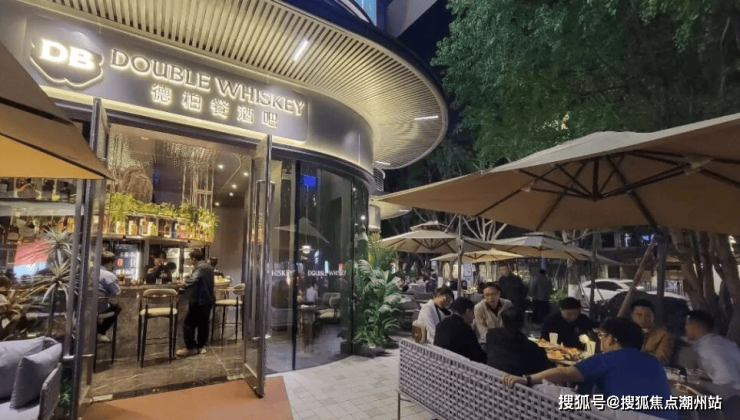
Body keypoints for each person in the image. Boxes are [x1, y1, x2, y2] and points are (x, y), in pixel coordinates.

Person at [503, 318, 677, 420]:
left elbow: (564, 372)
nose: (601, 340)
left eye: (602, 336)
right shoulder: (654, 361)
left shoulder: (607, 359)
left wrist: (527, 379)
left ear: (612, 339)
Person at [486, 307, 551, 376]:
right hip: (518, 380)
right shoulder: (531, 348)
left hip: (493, 377)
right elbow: (544, 371)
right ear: (523, 323)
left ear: (502, 321)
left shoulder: (491, 335)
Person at [685, 310, 740, 388]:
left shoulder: (708, 346)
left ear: (695, 325)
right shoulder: (720, 342)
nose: (686, 328)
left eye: (687, 325)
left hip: (731, 393)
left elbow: (726, 379)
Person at [176, 249, 215, 357]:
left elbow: (194, 279)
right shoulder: (209, 267)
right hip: (208, 299)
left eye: (190, 259)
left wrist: (184, 283)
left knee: (189, 323)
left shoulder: (199, 267)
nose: (190, 261)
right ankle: (201, 346)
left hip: (198, 299)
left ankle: (191, 348)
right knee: (203, 324)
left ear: (194, 259)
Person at [434, 297, 487, 364]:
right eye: (473, 312)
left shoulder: (441, 324)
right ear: (467, 311)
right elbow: (477, 355)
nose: (474, 317)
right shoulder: (465, 329)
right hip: (458, 366)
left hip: (440, 363)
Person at [630, 299, 673, 365]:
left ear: (653, 316)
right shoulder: (625, 331)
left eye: (648, 315)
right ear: (632, 315)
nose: (643, 319)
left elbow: (662, 360)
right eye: (639, 315)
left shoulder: (663, 335)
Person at [97, 251, 122, 342]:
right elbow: (117, 292)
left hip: (88, 305)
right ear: (109, 263)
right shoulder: (109, 275)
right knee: (118, 307)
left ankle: (97, 327)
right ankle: (101, 332)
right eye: (113, 263)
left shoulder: (92, 271)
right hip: (102, 306)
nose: (114, 265)